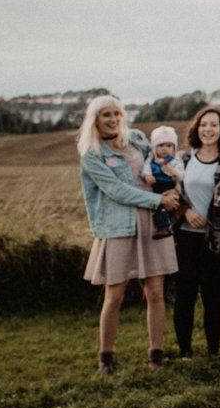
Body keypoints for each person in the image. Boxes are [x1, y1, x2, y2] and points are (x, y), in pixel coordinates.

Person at [77, 95, 180, 373]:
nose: (112, 120)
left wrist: (171, 186)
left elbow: (161, 163)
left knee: (155, 292)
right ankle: (106, 358)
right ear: (95, 120)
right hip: (117, 226)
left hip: (152, 223)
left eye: (116, 114)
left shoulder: (137, 139)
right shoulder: (92, 155)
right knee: (115, 295)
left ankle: (156, 355)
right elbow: (117, 191)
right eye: (105, 115)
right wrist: (158, 200)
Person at [172, 106, 220, 359]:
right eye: (204, 125)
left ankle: (213, 350)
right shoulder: (182, 159)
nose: (208, 130)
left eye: (214, 125)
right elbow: (171, 193)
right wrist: (185, 211)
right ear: (196, 128)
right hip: (185, 237)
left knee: (213, 297)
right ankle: (185, 351)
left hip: (215, 238)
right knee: (185, 296)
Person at [142, 126, 183, 238]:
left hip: (168, 185)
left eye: (169, 146)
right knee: (157, 206)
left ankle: (168, 225)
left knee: (169, 204)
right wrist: (147, 175)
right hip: (155, 184)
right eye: (160, 145)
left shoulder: (175, 160)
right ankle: (163, 226)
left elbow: (181, 175)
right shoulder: (151, 158)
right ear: (154, 147)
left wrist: (175, 173)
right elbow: (146, 167)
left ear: (174, 148)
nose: (164, 149)